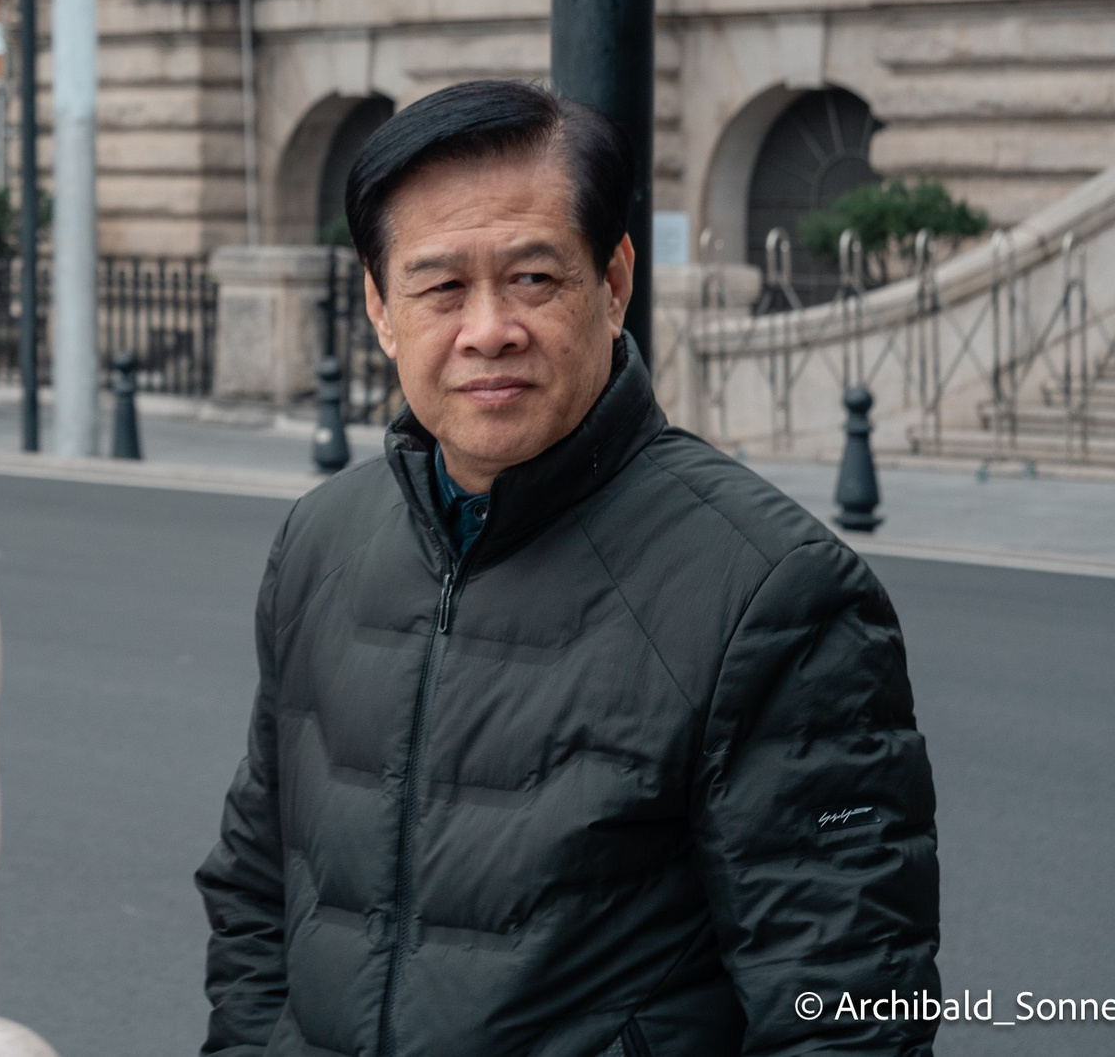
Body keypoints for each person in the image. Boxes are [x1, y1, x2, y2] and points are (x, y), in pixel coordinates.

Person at [199, 81, 938, 1056]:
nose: (488, 328)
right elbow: (258, 891)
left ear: (615, 281)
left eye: (533, 278)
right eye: (440, 288)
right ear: (380, 307)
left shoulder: (771, 591)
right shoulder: (321, 543)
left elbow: (845, 1006)